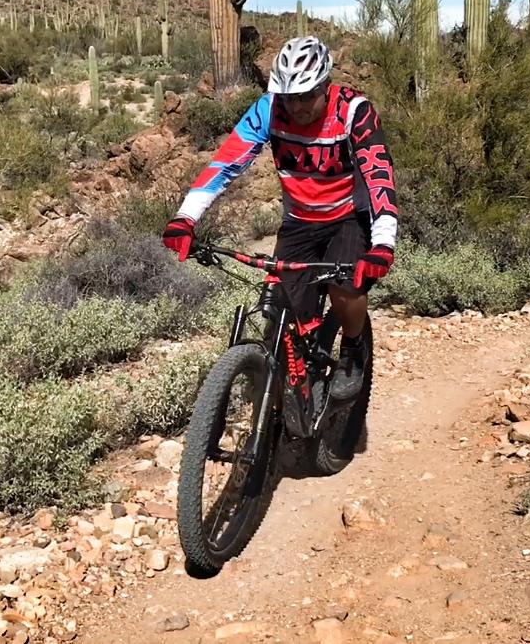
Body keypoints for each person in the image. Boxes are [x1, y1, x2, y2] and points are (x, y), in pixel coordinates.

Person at [161, 36, 398, 402]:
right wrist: (185, 218)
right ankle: (288, 398)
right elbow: (226, 163)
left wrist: (382, 244)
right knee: (282, 316)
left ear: (324, 86)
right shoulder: (268, 110)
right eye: (290, 97)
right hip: (299, 221)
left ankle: (353, 349)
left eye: (306, 96)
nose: (297, 106)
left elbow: (379, 174)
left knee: (344, 285)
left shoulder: (354, 111)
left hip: (348, 217)